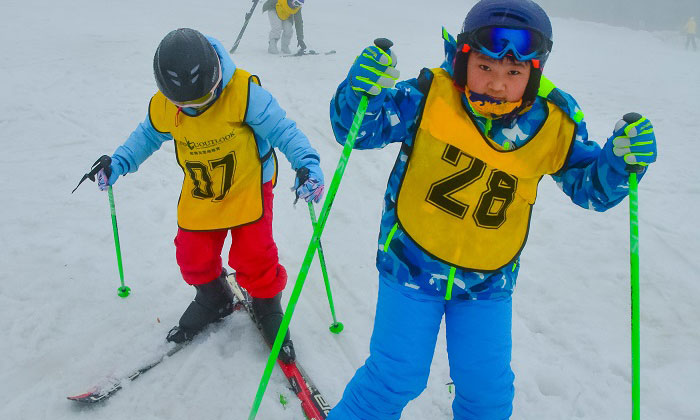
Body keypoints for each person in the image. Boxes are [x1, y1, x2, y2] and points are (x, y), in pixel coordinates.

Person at [326, 0, 657, 418]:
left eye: (514, 73)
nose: (497, 85)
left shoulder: (553, 122)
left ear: (534, 72)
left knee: (488, 395)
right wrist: (360, 93)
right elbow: (357, 130)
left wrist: (622, 163)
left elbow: (590, 189)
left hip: (487, 283)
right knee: (396, 376)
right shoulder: (431, 94)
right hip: (409, 265)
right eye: (485, 67)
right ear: (464, 60)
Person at [89, 28, 324, 364]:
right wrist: (121, 162)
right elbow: (146, 136)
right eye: (184, 105)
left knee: (255, 254)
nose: (195, 108)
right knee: (191, 253)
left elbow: (283, 130)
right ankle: (214, 297)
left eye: (204, 99)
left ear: (216, 77)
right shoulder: (164, 107)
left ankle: (267, 305)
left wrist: (307, 164)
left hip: (248, 188)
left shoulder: (244, 94)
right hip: (203, 193)